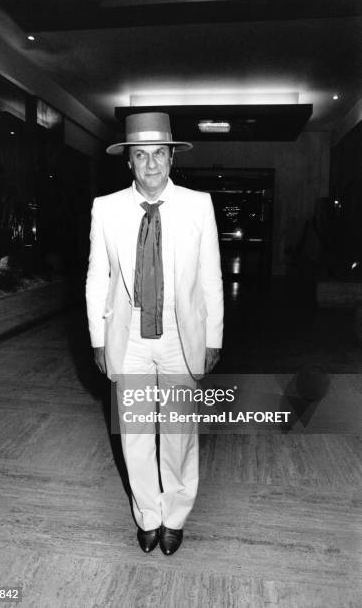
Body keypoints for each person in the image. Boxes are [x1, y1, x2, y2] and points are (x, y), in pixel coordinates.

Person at [86, 112, 223, 555]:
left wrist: (214, 337)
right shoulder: (105, 209)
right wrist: (98, 340)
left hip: (181, 338)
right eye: (140, 155)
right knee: (136, 431)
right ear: (128, 161)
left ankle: (176, 515)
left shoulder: (198, 205)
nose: (150, 165)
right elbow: (97, 279)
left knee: (180, 430)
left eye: (158, 154)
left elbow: (211, 278)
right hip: (130, 340)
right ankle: (148, 514)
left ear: (170, 157)